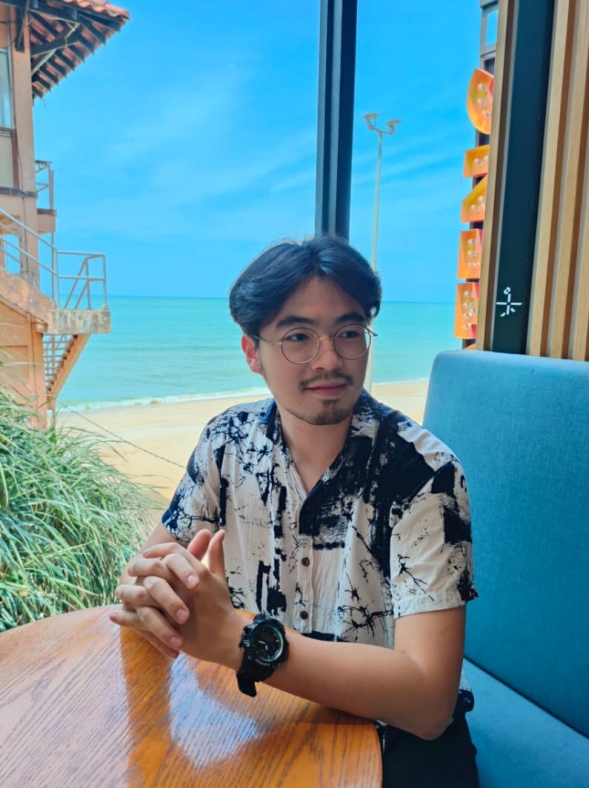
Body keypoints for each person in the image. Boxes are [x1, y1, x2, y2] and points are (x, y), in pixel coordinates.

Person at [110, 235, 479, 787]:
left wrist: (240, 640)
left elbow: (428, 703)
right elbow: (153, 572)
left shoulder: (424, 474)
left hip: (392, 737)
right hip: (267, 717)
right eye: (298, 337)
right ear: (252, 353)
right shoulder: (226, 443)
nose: (328, 359)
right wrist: (152, 590)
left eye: (349, 332)